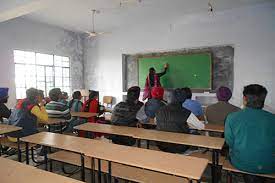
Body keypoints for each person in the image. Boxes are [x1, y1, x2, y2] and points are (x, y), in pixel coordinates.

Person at [225, 84, 275, 183]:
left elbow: (229, 142)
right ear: (263, 99)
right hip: (268, 164)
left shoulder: (232, 117)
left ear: (244, 99)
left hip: (240, 162)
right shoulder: (272, 118)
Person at [155, 88, 205, 153]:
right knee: (195, 134)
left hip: (161, 145)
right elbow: (201, 127)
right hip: (180, 147)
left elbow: (156, 122)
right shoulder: (186, 112)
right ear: (183, 100)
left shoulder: (159, 110)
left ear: (170, 98)